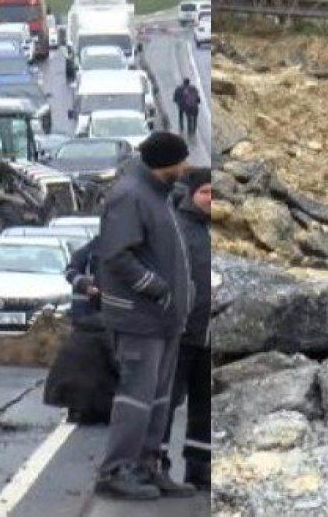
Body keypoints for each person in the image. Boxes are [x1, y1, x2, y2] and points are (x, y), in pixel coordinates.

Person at [93, 132, 196, 501]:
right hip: (139, 318)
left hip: (164, 319)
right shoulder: (130, 195)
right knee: (135, 396)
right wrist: (156, 287)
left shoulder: (158, 194)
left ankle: (147, 466)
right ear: (164, 163)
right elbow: (117, 255)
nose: (185, 168)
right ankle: (116, 470)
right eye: (181, 161)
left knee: (158, 398)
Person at [160, 168, 212, 491]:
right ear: (192, 194)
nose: (212, 199)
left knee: (204, 404)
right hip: (181, 333)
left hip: (210, 334)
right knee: (167, 401)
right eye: (206, 192)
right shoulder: (177, 228)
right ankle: (158, 464)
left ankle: (199, 466)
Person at [44, 237, 116, 426]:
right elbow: (70, 271)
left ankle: (85, 407)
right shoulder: (91, 250)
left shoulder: (119, 248)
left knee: (91, 361)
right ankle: (92, 407)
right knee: (92, 360)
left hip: (101, 315)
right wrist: (85, 284)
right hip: (89, 314)